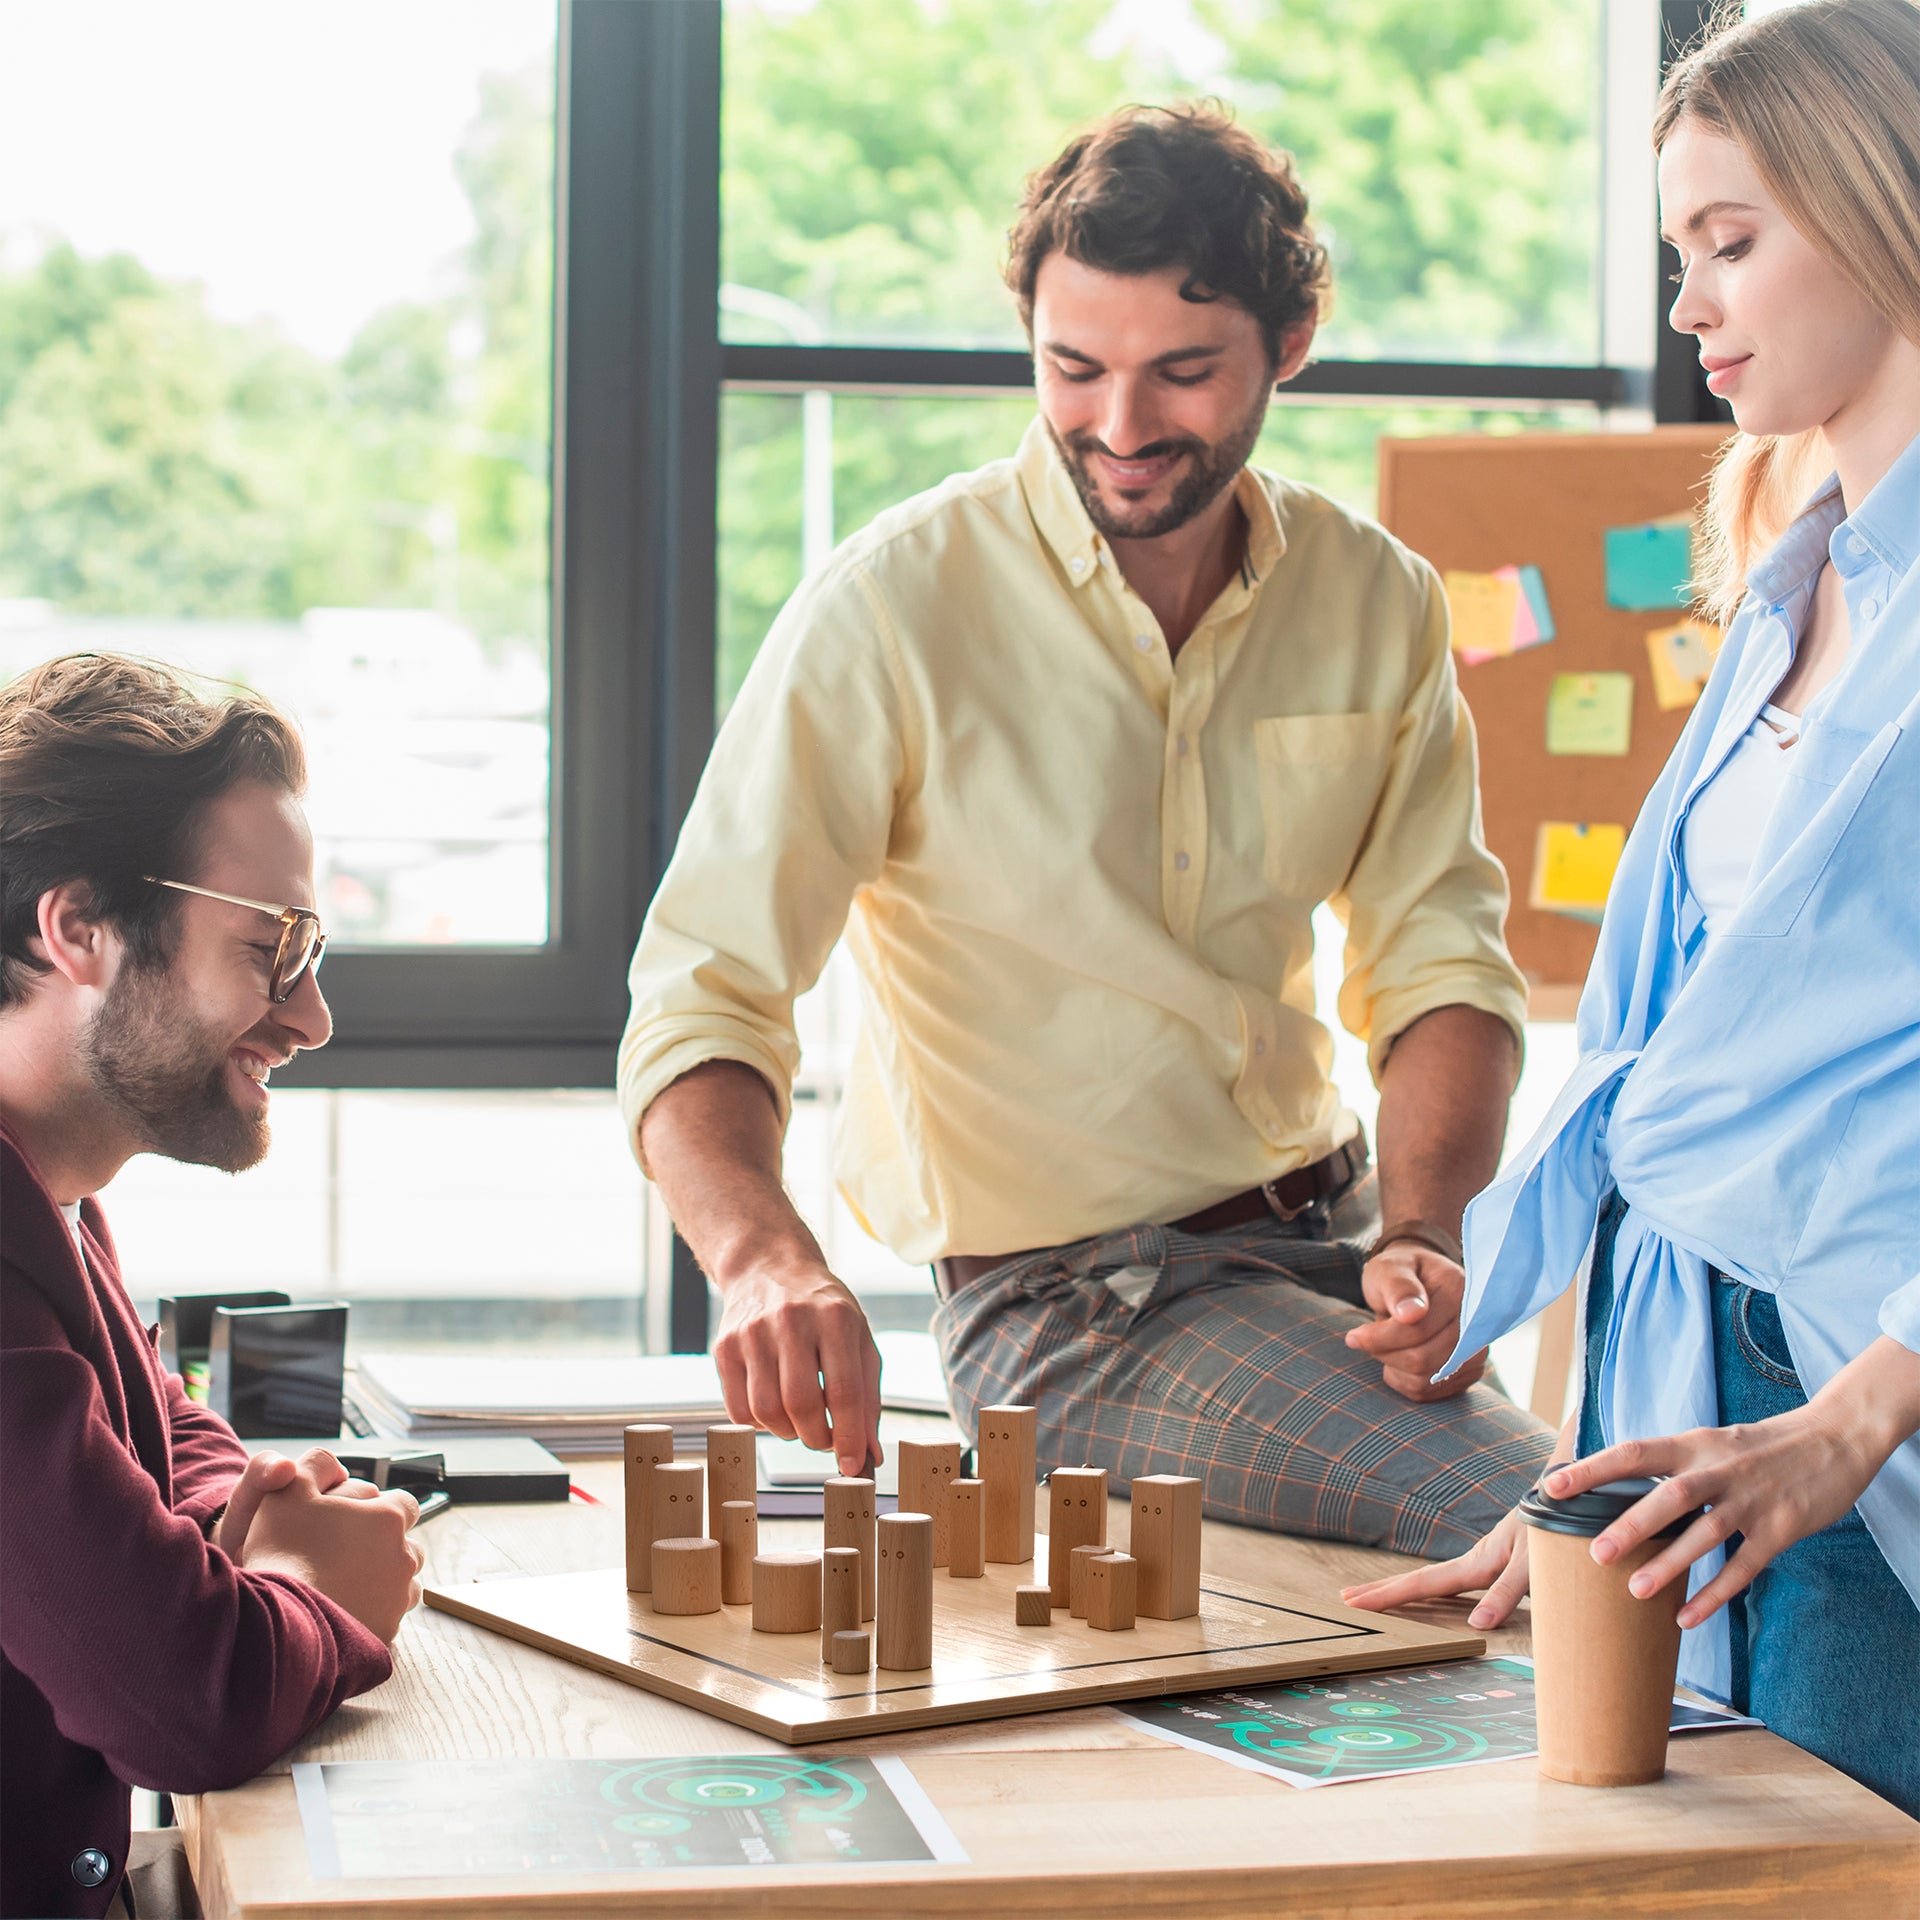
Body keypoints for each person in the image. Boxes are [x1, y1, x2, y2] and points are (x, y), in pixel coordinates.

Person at [621, 104, 1552, 1554]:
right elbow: (702, 993)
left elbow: (1445, 966)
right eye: (1074, 369)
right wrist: (758, 1260)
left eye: (1184, 373)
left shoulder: (1378, 598)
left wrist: (1426, 1232)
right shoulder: (895, 607)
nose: (1119, 429)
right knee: (1563, 1526)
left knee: (1671, 1485)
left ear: (1290, 340)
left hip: (1340, 1238)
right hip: (1071, 1311)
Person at [1344, 0, 1920, 1817]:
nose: (1691, 309)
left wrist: (1841, 1429)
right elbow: (1685, 1054)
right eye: (1681, 256)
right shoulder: (1784, 591)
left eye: (1733, 246)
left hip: (1857, 1418)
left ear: (1891, 205)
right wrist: (1594, 1486)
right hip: (1709, 1394)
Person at [0, 655, 423, 1919]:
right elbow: (183, 1698)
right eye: (270, 948)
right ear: (78, 929)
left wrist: (259, 1507)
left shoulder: (55, 1194)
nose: (312, 1015)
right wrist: (308, 1591)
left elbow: (156, 1421)